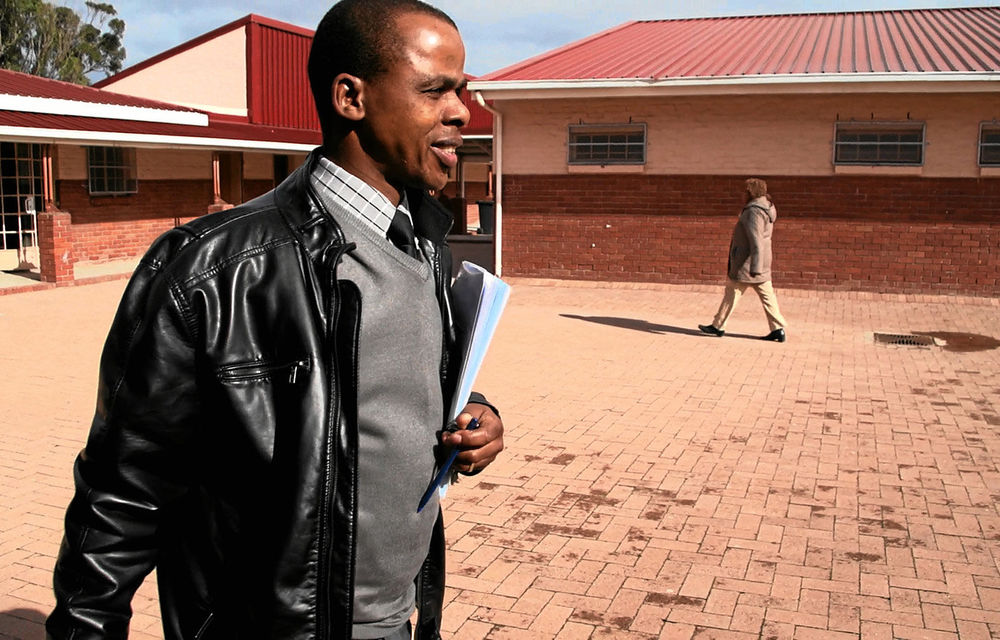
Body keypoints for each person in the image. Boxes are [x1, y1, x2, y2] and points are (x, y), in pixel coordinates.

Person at [46, 1, 504, 639]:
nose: (461, 111)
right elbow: (123, 492)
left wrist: (472, 411)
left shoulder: (425, 242)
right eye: (435, 90)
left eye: (462, 90)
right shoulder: (214, 269)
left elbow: (397, 378)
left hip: (401, 620)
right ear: (351, 97)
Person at [699, 177, 788, 342]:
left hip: (748, 264)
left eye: (745, 191)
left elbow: (756, 240)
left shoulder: (754, 211)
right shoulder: (767, 207)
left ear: (750, 192)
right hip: (760, 261)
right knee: (768, 297)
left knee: (732, 293)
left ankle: (718, 326)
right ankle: (778, 329)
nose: (742, 194)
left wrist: (755, 267)